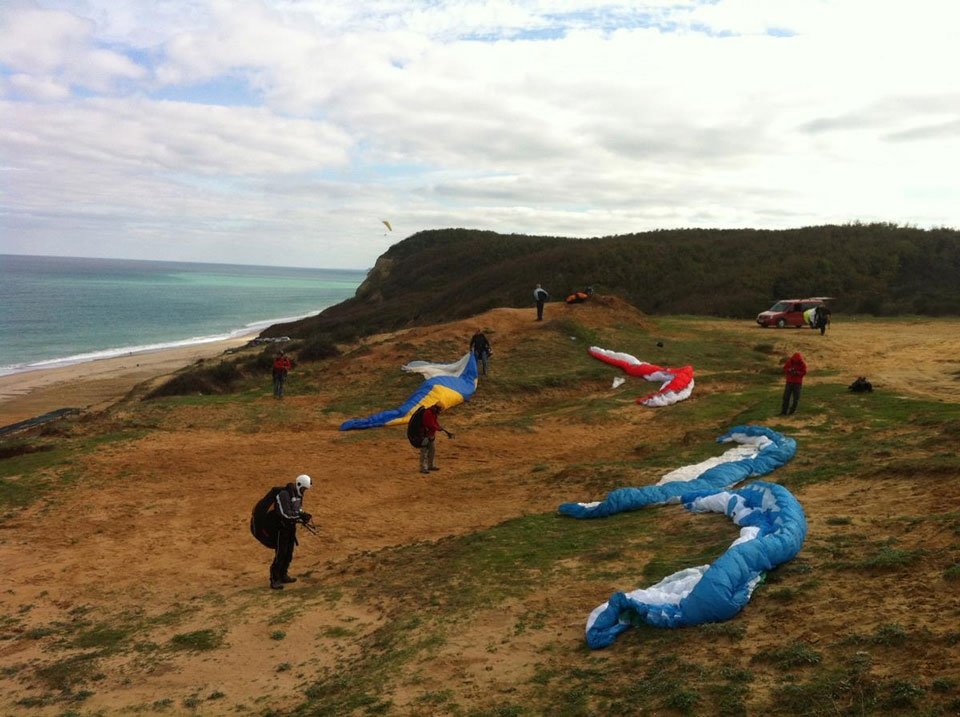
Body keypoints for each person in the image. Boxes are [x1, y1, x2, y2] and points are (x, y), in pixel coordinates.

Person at [270, 474, 312, 590]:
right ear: (298, 485)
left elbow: (297, 510)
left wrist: (303, 516)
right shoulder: (284, 494)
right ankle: (274, 579)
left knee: (289, 553)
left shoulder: (298, 495)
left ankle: (283, 574)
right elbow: (285, 514)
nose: (304, 491)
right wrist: (299, 515)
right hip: (281, 528)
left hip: (290, 528)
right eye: (303, 488)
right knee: (281, 553)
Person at [420, 404, 453, 474]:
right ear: (436, 408)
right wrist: (438, 428)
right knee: (424, 452)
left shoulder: (433, 413)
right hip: (424, 436)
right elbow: (430, 425)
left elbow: (435, 422)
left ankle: (430, 466)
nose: (440, 412)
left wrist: (439, 427)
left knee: (432, 451)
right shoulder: (428, 413)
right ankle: (423, 468)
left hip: (431, 436)